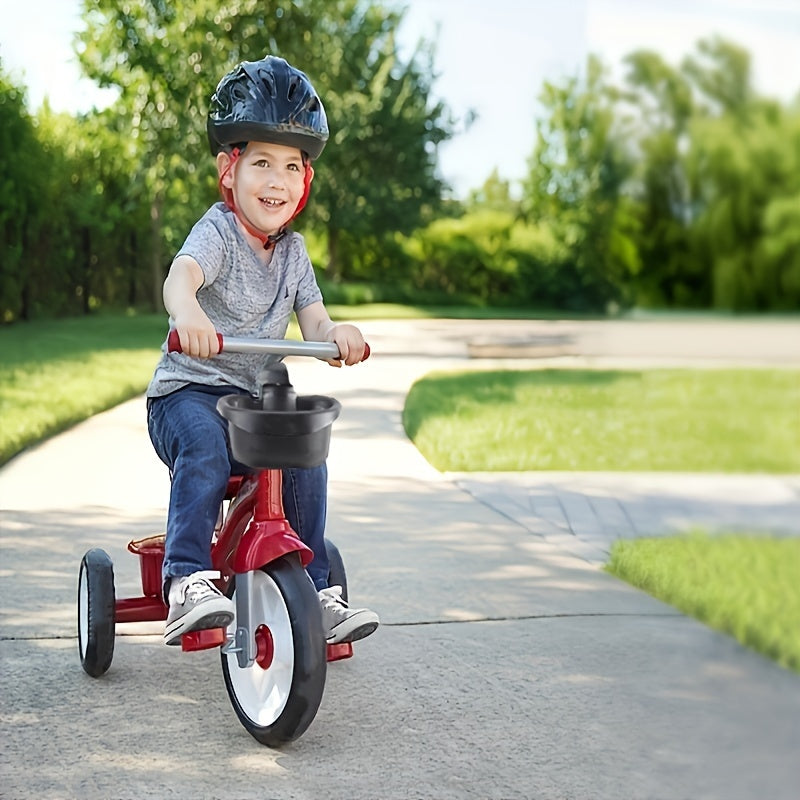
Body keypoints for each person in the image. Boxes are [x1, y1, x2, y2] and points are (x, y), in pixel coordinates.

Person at [146, 55, 379, 647]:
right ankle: (187, 580)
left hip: (252, 401)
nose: (277, 180)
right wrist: (189, 313)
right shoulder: (219, 232)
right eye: (262, 163)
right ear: (230, 169)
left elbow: (316, 318)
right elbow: (182, 276)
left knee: (307, 452)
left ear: (305, 182)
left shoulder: (295, 254)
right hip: (188, 394)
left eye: (292, 167)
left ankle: (318, 591)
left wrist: (337, 337)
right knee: (203, 447)